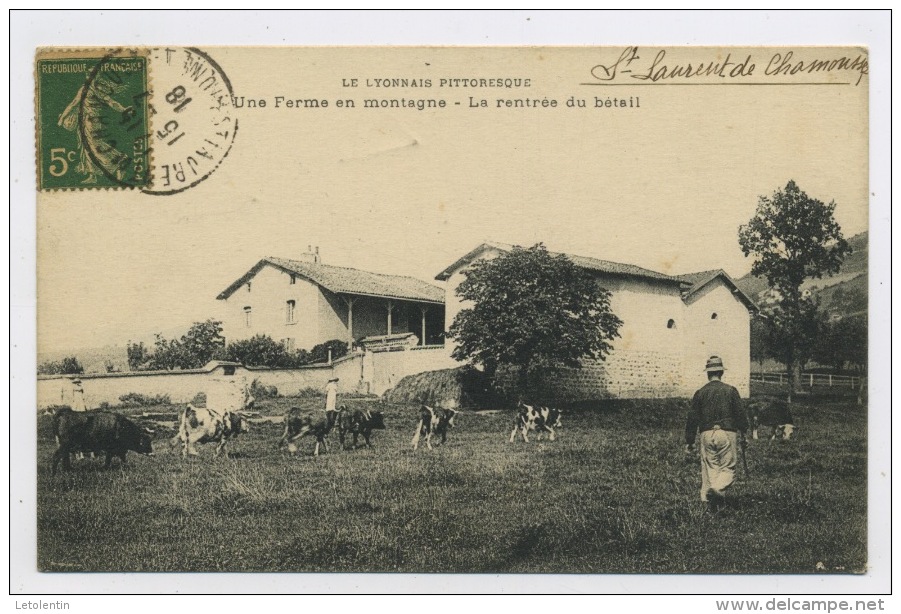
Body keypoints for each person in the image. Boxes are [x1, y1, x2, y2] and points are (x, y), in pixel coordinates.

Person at [684, 356, 749, 509]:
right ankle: (717, 490)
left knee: (710, 467)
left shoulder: (700, 393)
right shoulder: (731, 391)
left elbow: (692, 418)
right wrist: (744, 433)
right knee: (728, 468)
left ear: (708, 374)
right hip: (727, 432)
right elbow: (740, 414)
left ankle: (711, 503)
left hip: (706, 433)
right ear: (721, 373)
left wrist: (689, 441)